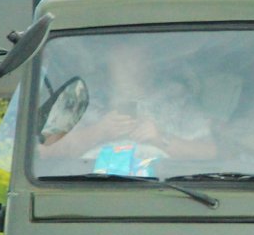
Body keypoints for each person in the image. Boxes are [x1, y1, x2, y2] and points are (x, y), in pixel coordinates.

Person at [37, 37, 216, 172]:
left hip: (166, 189)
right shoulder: (81, 93)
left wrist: (160, 138)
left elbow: (211, 152)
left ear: (151, 62)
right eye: (123, 58)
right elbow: (45, 151)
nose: (131, 65)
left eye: (138, 58)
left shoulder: (174, 96)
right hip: (89, 188)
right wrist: (98, 131)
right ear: (108, 61)